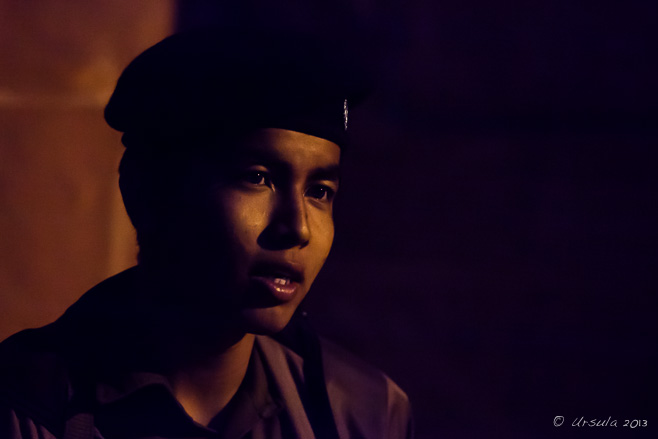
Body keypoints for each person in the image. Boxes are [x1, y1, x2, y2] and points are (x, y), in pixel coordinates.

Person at [0, 27, 413, 439]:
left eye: (319, 192)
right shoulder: (25, 408)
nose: (298, 228)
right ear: (147, 191)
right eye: (257, 177)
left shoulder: (362, 414)